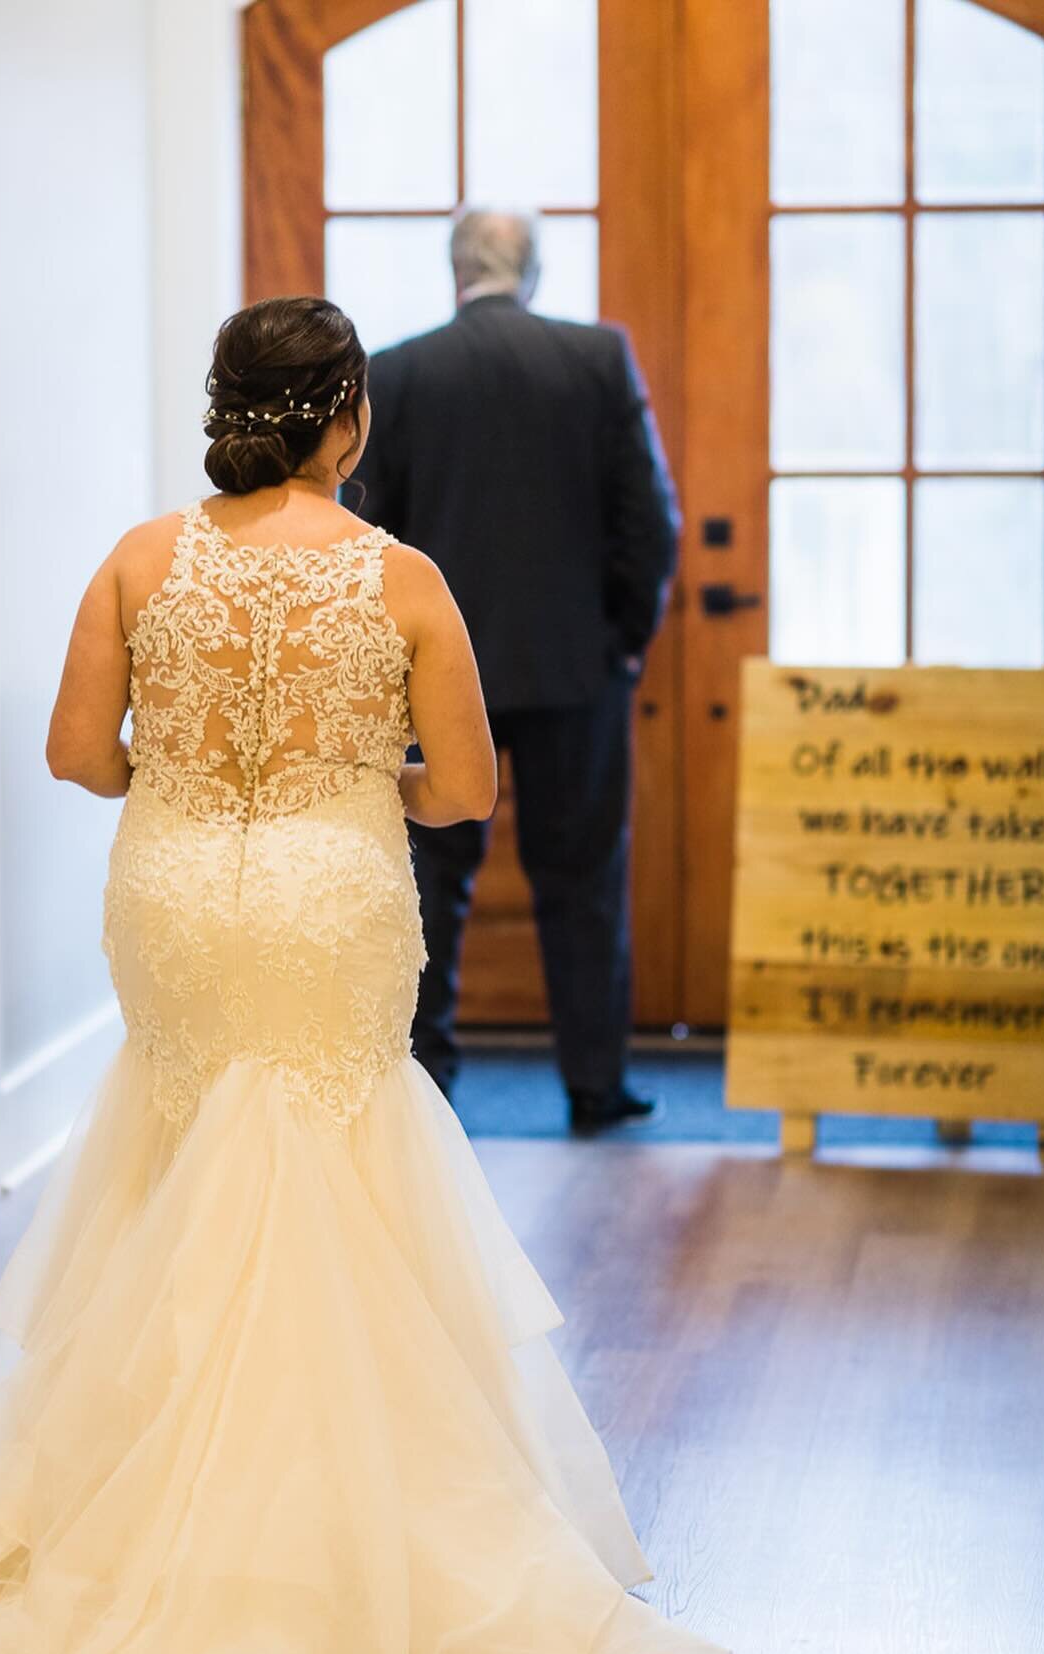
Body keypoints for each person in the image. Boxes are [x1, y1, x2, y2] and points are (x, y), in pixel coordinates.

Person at [0, 297, 735, 1654]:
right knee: (334, 1171)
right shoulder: (402, 578)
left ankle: (128, 1527)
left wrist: (199, 766)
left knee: (182, 1159)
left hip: (173, 896)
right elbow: (467, 789)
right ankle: (319, 1551)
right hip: (324, 898)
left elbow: (77, 754)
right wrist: (359, 774)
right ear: (348, 418)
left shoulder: (140, 559)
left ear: (226, 408)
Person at [352, 206, 681, 1133]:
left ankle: (424, 1088)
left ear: (456, 270)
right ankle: (596, 1087)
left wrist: (393, 658)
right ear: (530, 271)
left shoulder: (401, 370)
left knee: (429, 879)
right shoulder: (597, 360)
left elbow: (372, 534)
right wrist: (623, 639)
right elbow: (650, 526)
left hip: (436, 673)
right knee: (583, 878)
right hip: (578, 671)